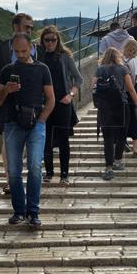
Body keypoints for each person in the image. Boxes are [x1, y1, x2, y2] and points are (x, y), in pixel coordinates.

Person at [0, 32, 55, 227]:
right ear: (13, 49)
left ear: (31, 47)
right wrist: (6, 91)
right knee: (15, 171)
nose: (21, 54)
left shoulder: (42, 69)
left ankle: (33, 211)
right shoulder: (7, 70)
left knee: (35, 167)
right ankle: (19, 210)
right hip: (12, 124)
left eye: (24, 51)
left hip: (36, 124)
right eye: (17, 51)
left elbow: (51, 99)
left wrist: (42, 120)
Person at [0, 13, 36, 194]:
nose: (30, 30)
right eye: (26, 26)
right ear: (15, 27)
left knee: (31, 141)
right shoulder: (0, 49)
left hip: (32, 103)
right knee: (8, 140)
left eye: (31, 27)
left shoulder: (37, 49)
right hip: (6, 103)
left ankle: (30, 178)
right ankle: (11, 181)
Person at [38, 26, 82, 184]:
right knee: (46, 139)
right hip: (44, 104)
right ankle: (48, 172)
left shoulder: (64, 56)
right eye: (47, 40)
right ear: (42, 41)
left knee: (63, 140)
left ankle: (64, 175)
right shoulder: (38, 56)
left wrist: (71, 95)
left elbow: (78, 79)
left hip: (63, 104)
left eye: (53, 40)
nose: (50, 43)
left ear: (58, 40)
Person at [93, 48, 137, 180]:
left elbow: (93, 87)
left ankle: (108, 167)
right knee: (121, 134)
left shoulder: (99, 69)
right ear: (117, 57)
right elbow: (130, 89)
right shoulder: (122, 69)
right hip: (121, 105)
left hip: (105, 107)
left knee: (107, 138)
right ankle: (118, 161)